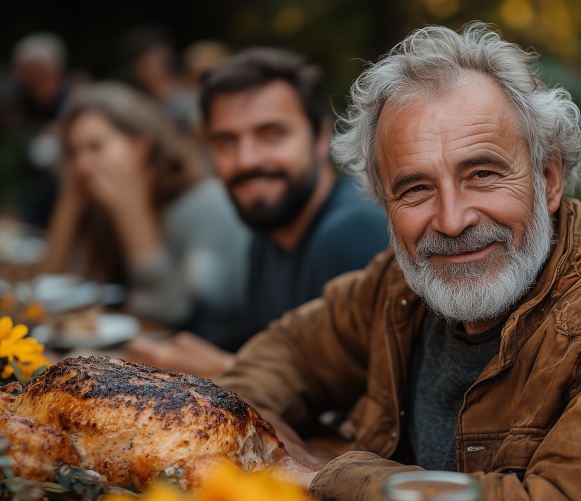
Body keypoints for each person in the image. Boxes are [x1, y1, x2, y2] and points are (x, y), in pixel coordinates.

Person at [217, 24, 581, 501]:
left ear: (549, 178)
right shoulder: (398, 284)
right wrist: (274, 456)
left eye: (482, 174)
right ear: (384, 206)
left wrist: (322, 479)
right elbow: (278, 357)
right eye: (415, 188)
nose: (453, 219)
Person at [125, 49, 389, 379]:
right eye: (226, 141)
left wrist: (228, 371)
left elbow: (367, 409)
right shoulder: (267, 233)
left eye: (272, 134)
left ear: (321, 138)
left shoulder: (352, 232)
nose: (247, 159)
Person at [38, 82, 250, 347]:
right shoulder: (100, 208)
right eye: (73, 152)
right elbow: (50, 288)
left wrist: (133, 216)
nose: (82, 165)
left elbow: (169, 315)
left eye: (95, 147)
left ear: (141, 147)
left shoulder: (203, 203)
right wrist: (68, 205)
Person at [10, 32, 70, 228]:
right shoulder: (27, 105)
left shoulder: (73, 104)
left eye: (24, 69)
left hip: (64, 204)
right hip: (36, 205)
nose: (19, 76)